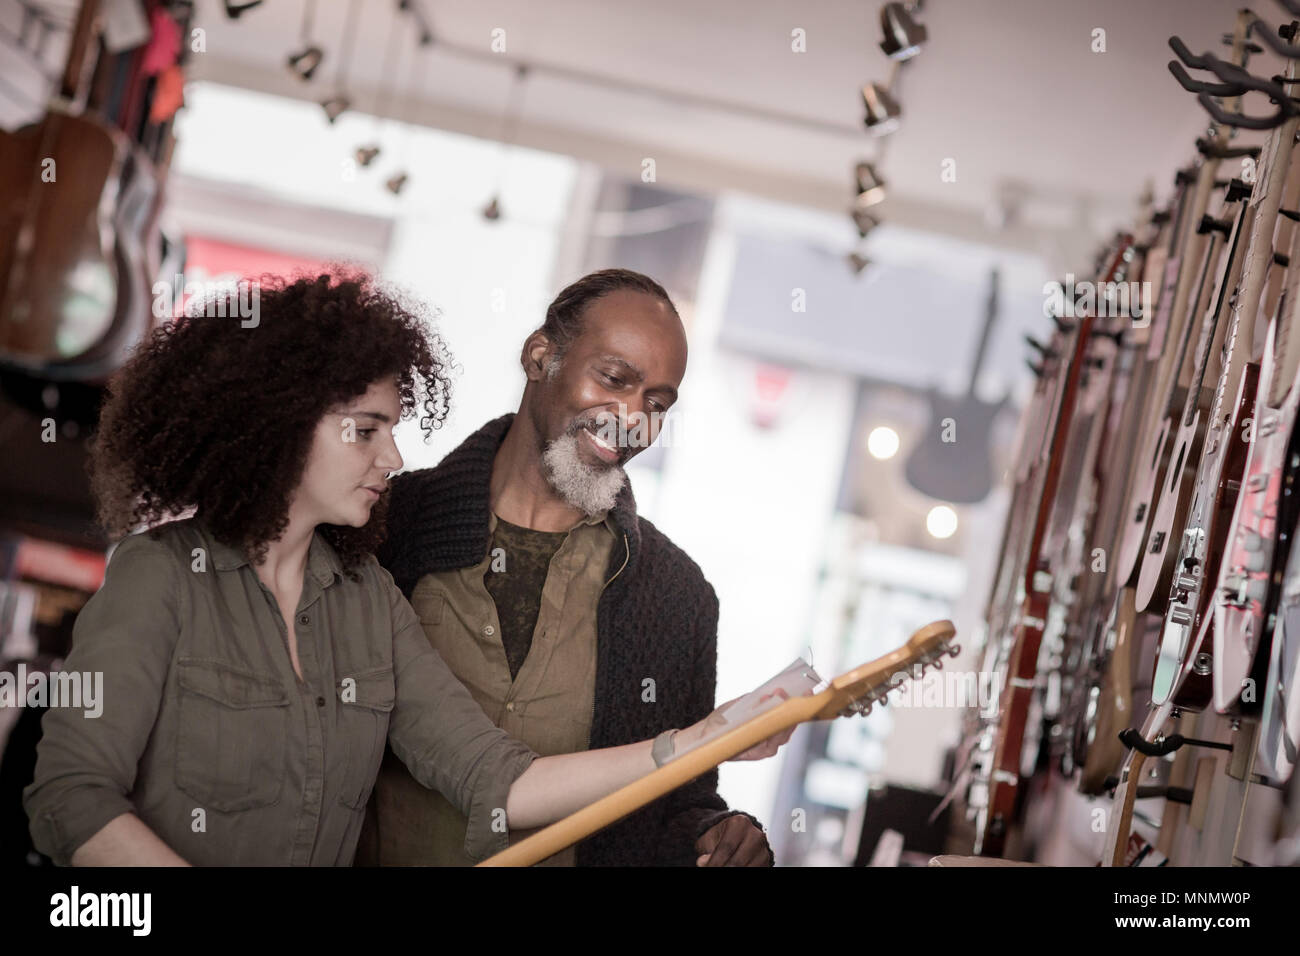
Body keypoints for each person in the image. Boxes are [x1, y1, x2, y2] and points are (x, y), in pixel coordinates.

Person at [21, 271, 785, 866]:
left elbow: (499, 778)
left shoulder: (368, 600)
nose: (392, 455)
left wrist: (706, 736)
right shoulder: (164, 577)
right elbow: (70, 797)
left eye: (658, 400)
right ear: (278, 425)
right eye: (366, 430)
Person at [358, 268, 775, 867]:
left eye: (657, 402)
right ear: (539, 356)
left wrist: (716, 832)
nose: (633, 417)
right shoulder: (388, 526)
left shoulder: (675, 596)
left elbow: (679, 798)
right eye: (613, 378)